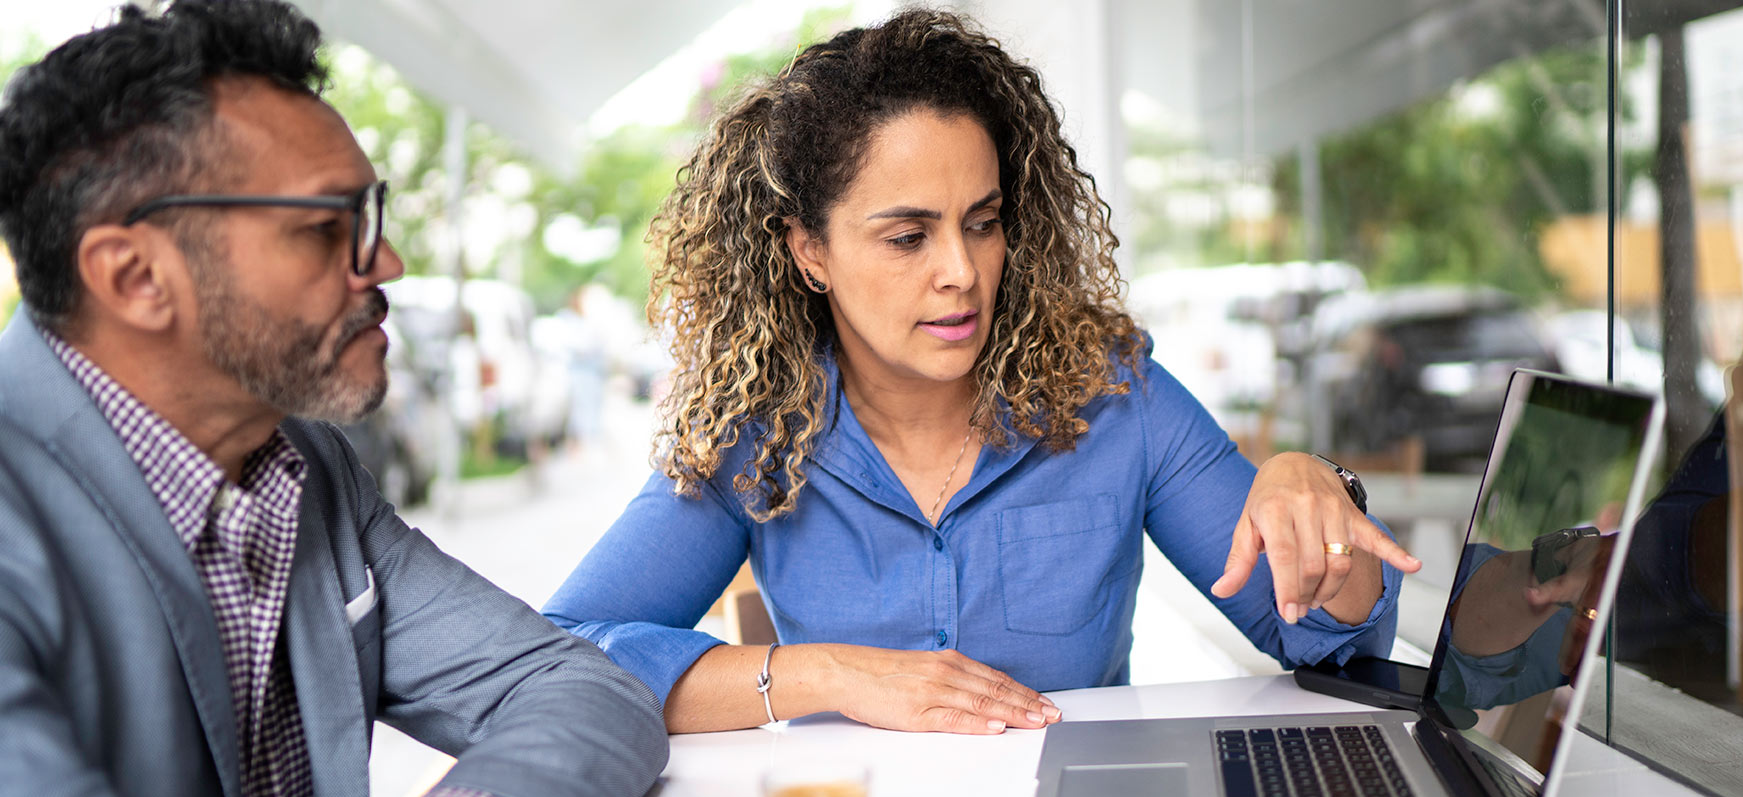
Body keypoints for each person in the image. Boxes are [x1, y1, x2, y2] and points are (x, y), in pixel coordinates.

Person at [543, 9, 1422, 736]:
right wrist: (828, 675)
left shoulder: (1114, 394)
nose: (960, 271)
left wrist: (1317, 500)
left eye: (983, 221)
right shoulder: (759, 431)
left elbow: (1319, 646)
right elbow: (563, 656)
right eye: (906, 236)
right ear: (809, 250)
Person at [0, 3, 665, 797]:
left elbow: (577, 688)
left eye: (367, 215)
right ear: (134, 276)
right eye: (323, 228)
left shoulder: (300, 462)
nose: (385, 263)